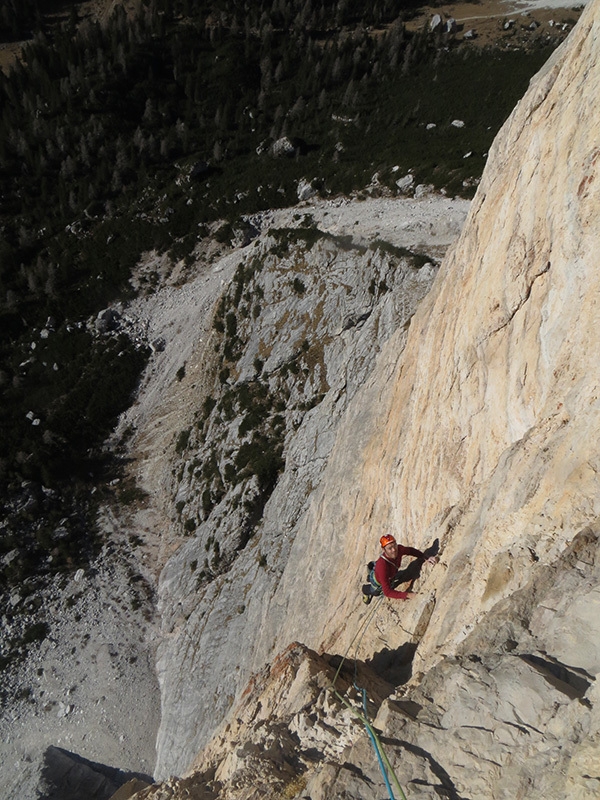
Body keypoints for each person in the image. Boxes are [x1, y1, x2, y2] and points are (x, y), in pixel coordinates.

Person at [364, 534, 437, 603]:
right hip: (378, 581)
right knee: (375, 592)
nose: (394, 550)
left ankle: (370, 576)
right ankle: (364, 589)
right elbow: (387, 592)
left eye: (394, 545)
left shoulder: (399, 549)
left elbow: (410, 551)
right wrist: (408, 595)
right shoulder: (382, 566)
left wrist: (425, 557)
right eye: (389, 548)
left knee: (391, 577)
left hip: (390, 574)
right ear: (383, 550)